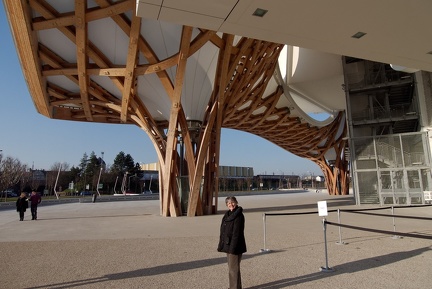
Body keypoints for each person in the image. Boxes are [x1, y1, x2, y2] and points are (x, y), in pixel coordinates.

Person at [217, 196, 247, 289]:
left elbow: (236, 233)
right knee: (234, 268)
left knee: (232, 269)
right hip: (228, 244)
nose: (231, 205)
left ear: (236, 202)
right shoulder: (227, 214)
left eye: (232, 202)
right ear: (227, 205)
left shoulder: (239, 216)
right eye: (229, 203)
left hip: (235, 246)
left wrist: (232, 248)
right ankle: (237, 287)